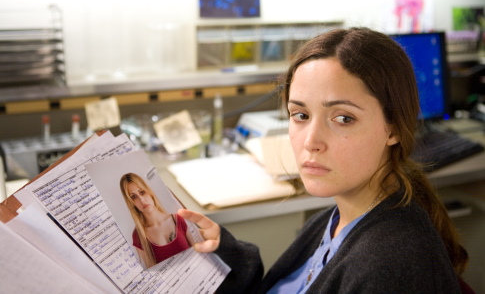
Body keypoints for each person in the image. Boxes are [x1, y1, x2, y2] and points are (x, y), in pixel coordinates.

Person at [178, 27, 471, 293]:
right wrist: (223, 255)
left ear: (393, 127)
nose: (310, 142)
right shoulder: (339, 216)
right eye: (301, 115)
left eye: (343, 118)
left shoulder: (388, 268)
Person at [119, 172, 195, 268]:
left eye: (142, 192)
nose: (142, 200)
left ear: (149, 192)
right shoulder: (139, 235)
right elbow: (153, 273)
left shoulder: (177, 219)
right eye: (134, 197)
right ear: (131, 203)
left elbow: (197, 254)